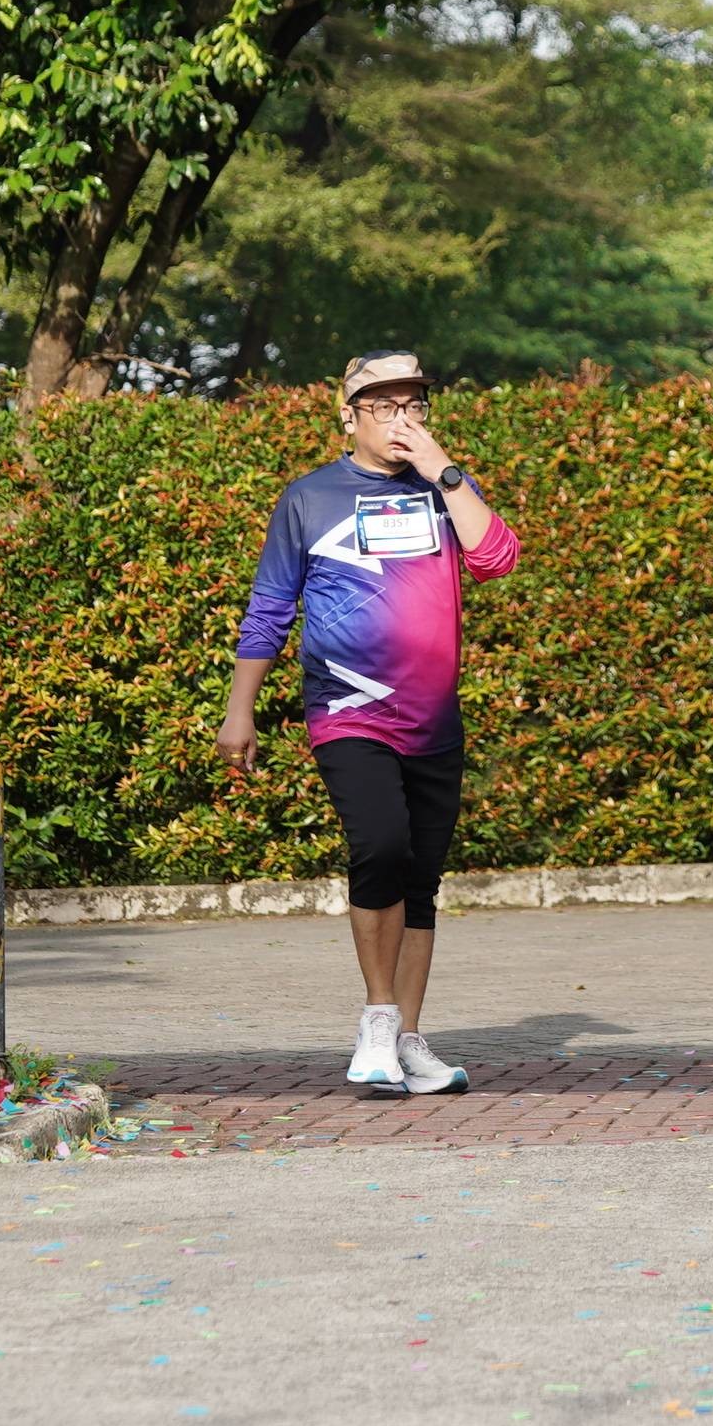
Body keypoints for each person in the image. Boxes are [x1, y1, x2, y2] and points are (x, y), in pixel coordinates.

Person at [219, 350, 521, 1096]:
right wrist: (239, 710)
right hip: (348, 711)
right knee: (380, 845)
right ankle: (378, 1018)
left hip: (433, 718)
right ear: (348, 417)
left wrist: (444, 471)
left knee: (421, 879)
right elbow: (270, 608)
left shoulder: (443, 489)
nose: (400, 420)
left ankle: (409, 1041)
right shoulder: (310, 497)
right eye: (383, 407)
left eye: (412, 406)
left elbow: (496, 559)